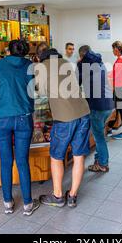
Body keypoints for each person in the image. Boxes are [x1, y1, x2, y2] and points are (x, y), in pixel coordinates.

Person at [35, 43, 90, 208]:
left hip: (65, 117)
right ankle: (72, 196)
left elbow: (42, 92)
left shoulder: (41, 67)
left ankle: (58, 196)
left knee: (57, 156)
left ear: (40, 57)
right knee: (79, 156)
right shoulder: (66, 63)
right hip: (83, 112)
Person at [0, 39, 40, 216]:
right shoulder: (30, 66)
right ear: (26, 51)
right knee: (22, 160)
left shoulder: (0, 64)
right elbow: (35, 88)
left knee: (5, 161)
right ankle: (27, 204)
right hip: (23, 117)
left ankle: (8, 203)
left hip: (2, 117)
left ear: (9, 50)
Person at [77, 45, 114, 173]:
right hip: (109, 104)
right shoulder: (100, 62)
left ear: (81, 55)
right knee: (100, 133)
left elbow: (76, 83)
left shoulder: (83, 65)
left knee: (98, 137)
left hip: (97, 105)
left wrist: (78, 66)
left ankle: (103, 164)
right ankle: (99, 161)